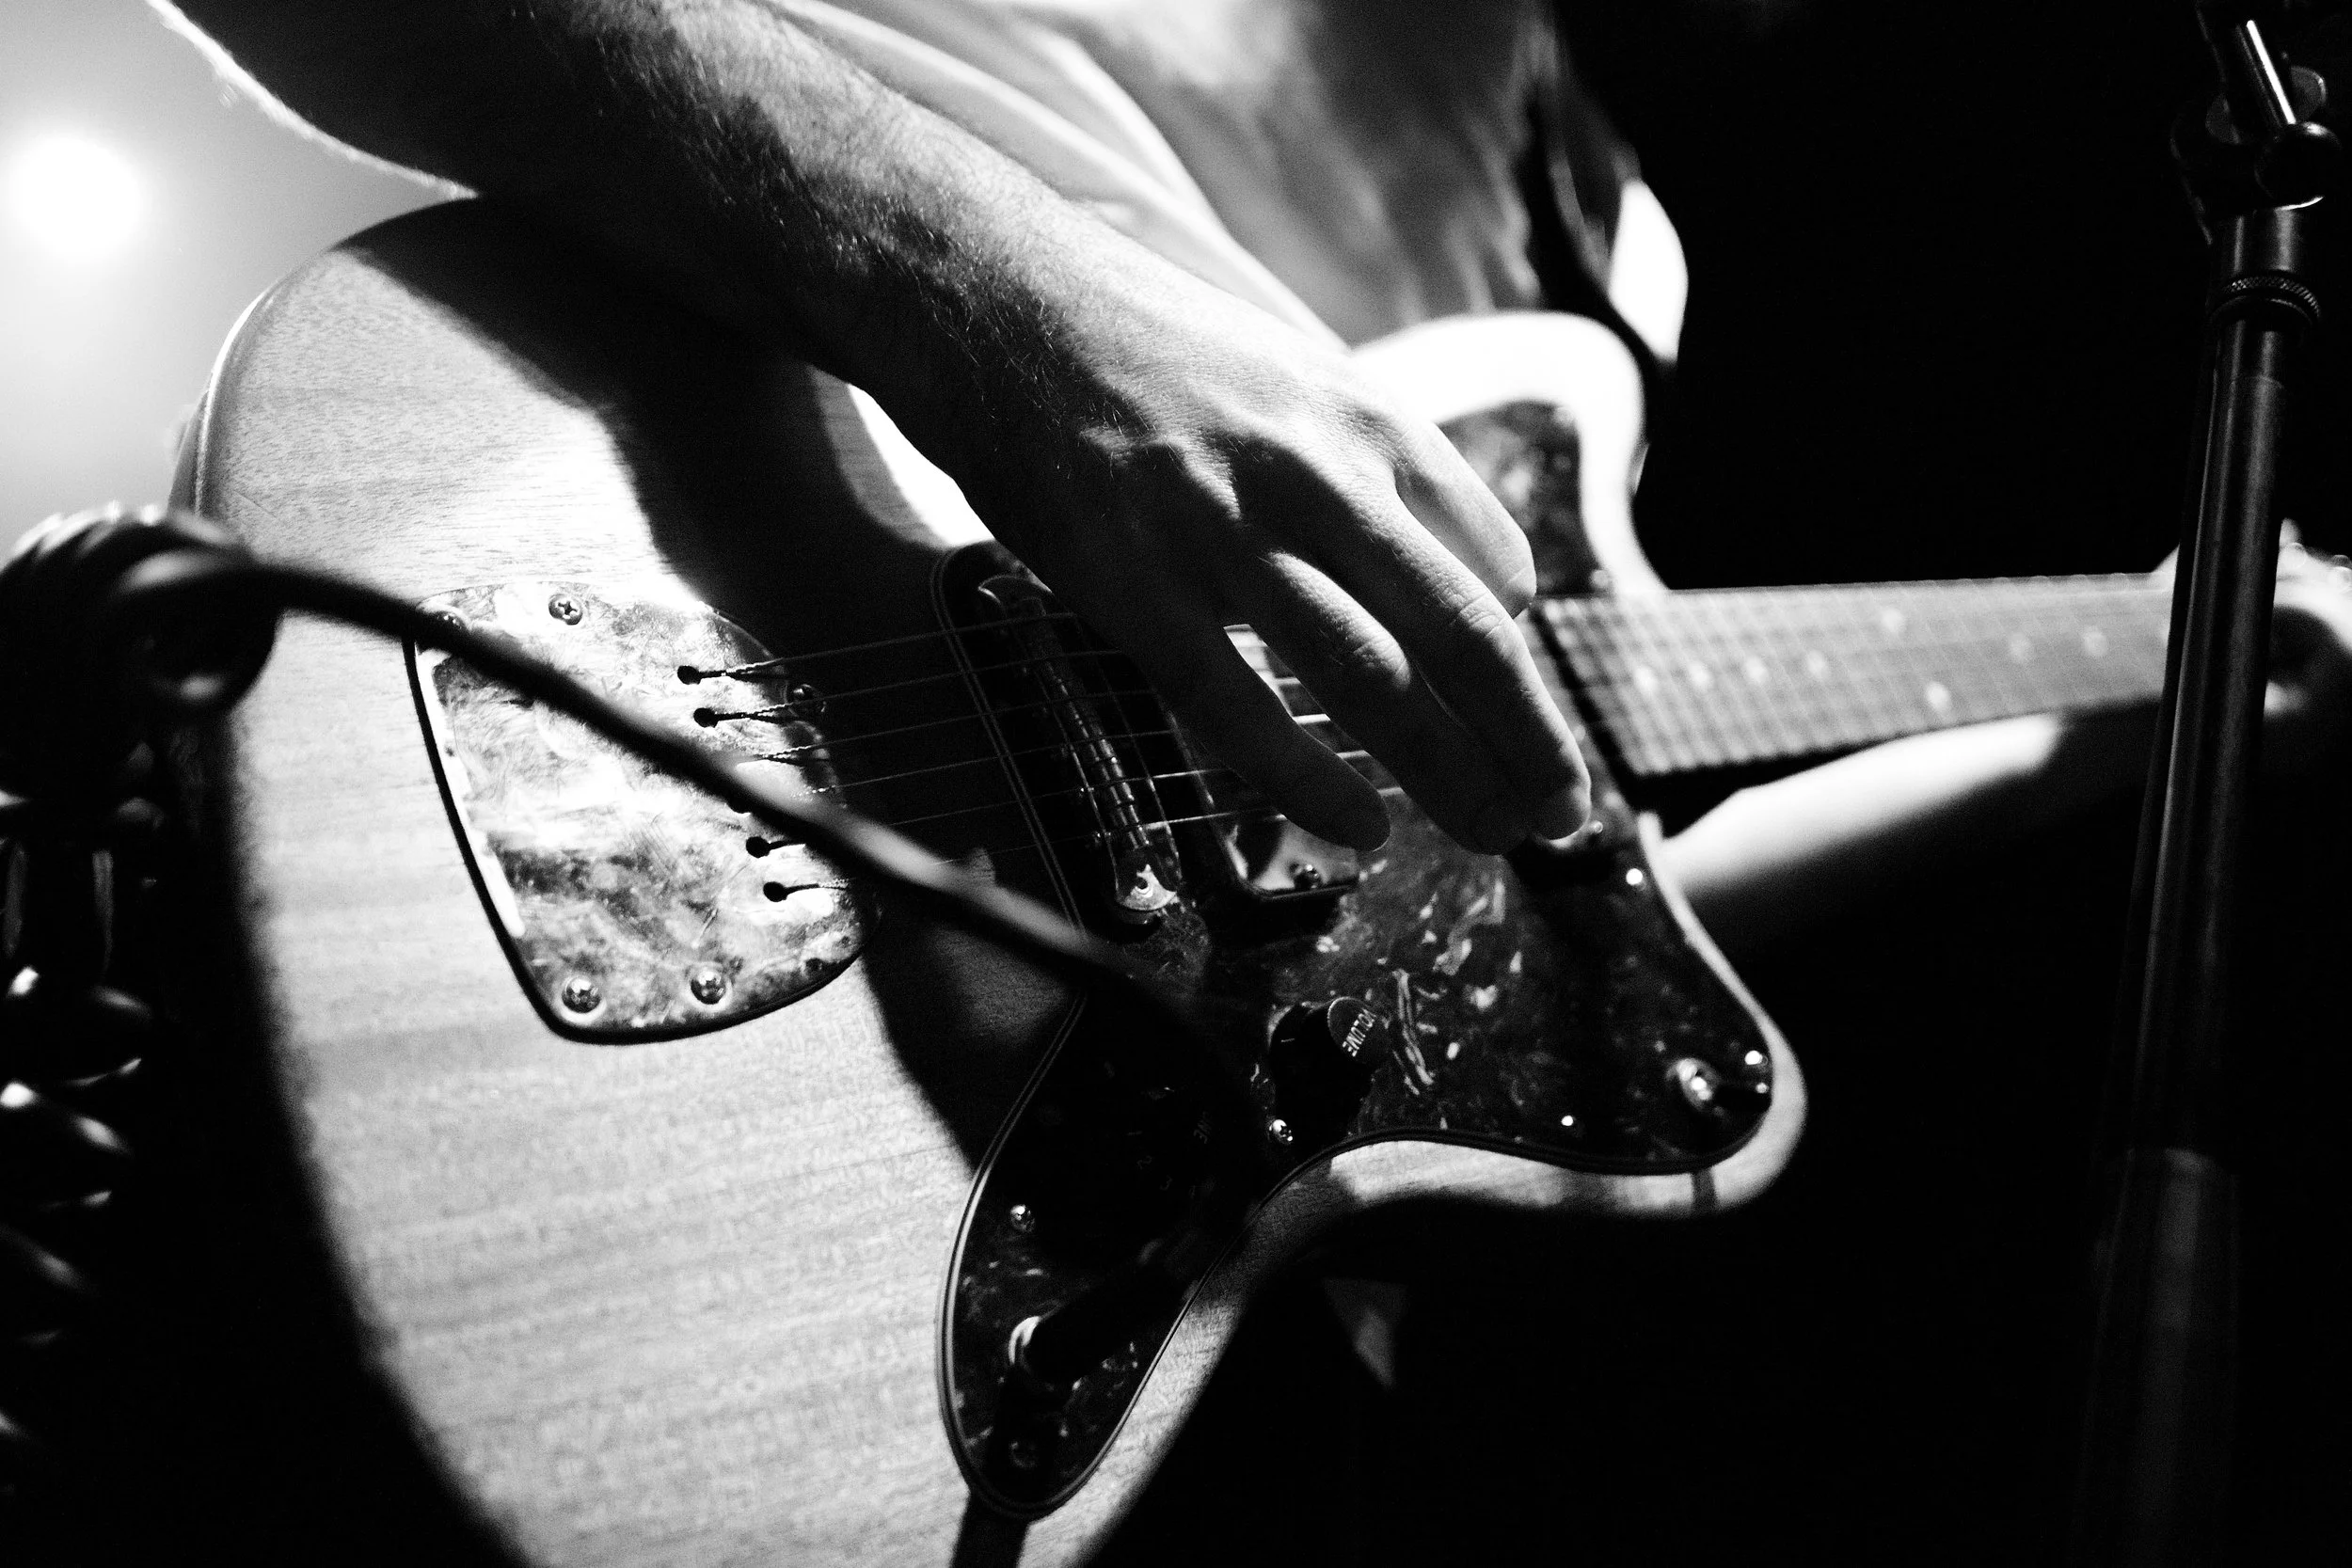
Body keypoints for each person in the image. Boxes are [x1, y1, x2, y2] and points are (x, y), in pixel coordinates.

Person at [151, 1, 2352, 1560]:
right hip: (641, 647)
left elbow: (1513, 926)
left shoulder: (1602, 224)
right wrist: (1015, 314)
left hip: (1122, 1297)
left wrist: (2121, 694)